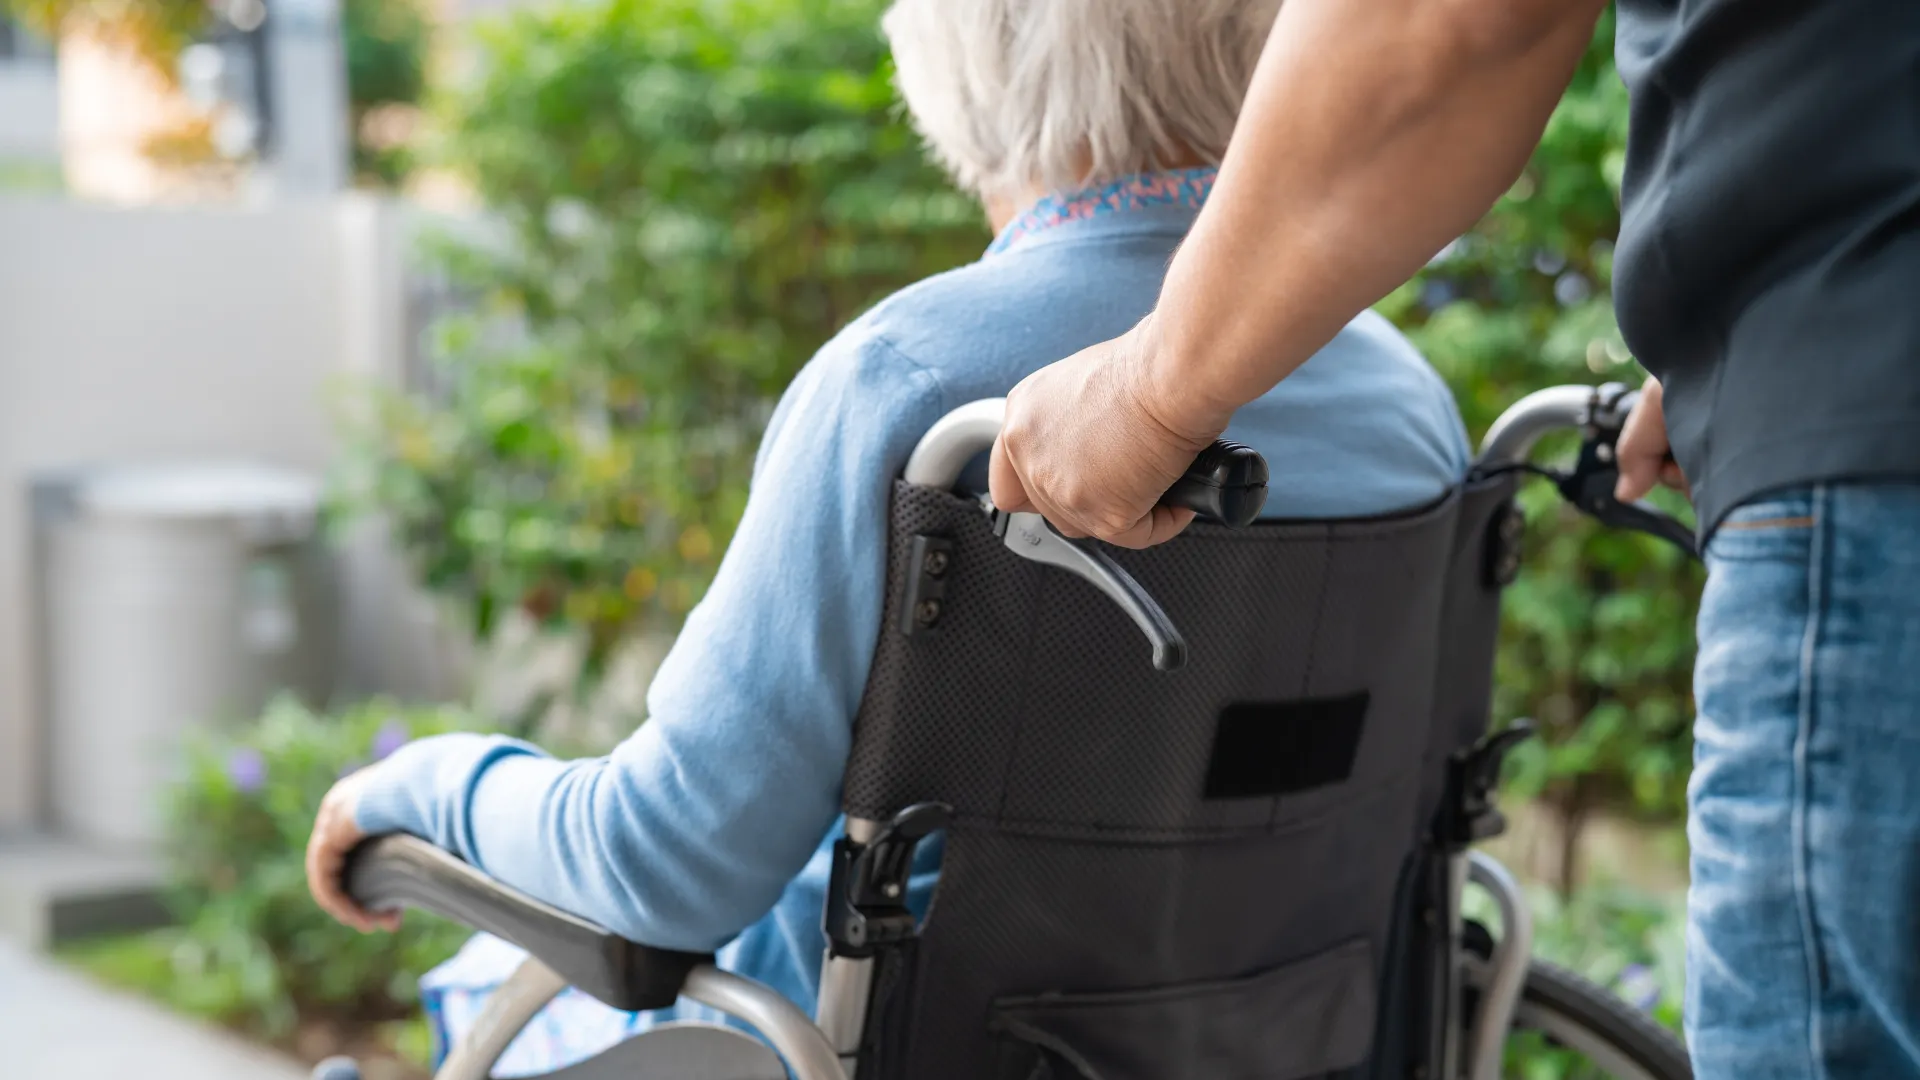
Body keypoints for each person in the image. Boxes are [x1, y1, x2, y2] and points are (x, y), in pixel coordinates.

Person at [303, 0, 1471, 1072]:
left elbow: (663, 868)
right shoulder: (1410, 408)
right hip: (1276, 1038)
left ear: (965, 63)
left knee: (490, 986)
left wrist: (418, 783)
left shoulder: (914, 382)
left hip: (870, 1041)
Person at [987, 1, 1920, 1078]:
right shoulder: (1408, 411)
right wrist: (1747, 333)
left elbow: (1447, 21)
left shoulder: (910, 383)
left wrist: (1150, 394)